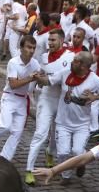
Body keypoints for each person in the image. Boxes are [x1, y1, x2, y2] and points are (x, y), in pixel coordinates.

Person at [37, 50, 99, 182]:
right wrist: (37, 77)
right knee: (63, 153)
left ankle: (82, 160)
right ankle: (66, 176)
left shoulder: (96, 81)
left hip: (82, 124)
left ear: (83, 66)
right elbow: (48, 81)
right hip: (62, 122)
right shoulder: (64, 73)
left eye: (75, 61)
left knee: (77, 151)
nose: (71, 62)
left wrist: (96, 97)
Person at [0, 35, 41, 161]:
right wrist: (31, 78)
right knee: (4, 125)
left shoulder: (35, 64)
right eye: (29, 47)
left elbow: (40, 79)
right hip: (10, 98)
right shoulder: (13, 62)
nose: (32, 51)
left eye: (34, 48)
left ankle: (4, 159)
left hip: (23, 100)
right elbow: (13, 85)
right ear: (21, 48)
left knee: (17, 133)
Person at [25, 28, 73, 183]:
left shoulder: (70, 57)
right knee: (40, 133)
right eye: (49, 40)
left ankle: (50, 153)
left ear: (61, 40)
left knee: (56, 134)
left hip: (62, 100)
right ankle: (29, 169)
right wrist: (31, 91)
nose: (50, 43)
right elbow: (39, 75)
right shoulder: (44, 57)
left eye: (53, 40)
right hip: (46, 99)